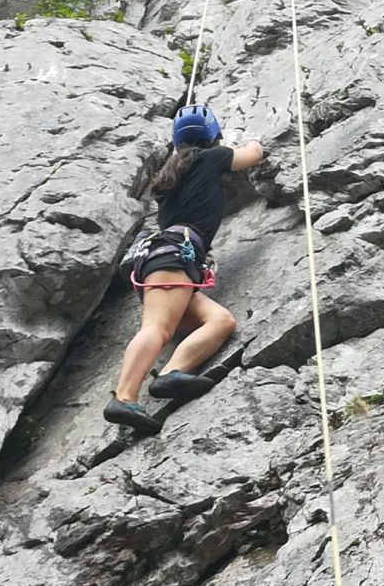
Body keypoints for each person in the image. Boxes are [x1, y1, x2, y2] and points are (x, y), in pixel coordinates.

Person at [103, 104, 264, 436]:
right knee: (158, 329)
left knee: (220, 321)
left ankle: (172, 374)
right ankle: (124, 396)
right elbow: (251, 155)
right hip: (174, 258)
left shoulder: (170, 176)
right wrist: (252, 141)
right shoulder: (211, 157)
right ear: (212, 136)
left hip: (166, 260)